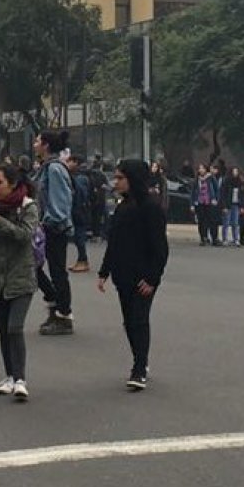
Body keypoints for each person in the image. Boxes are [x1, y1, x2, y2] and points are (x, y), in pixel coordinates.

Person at [97, 160, 169, 391]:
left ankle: (139, 367)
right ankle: (139, 358)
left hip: (143, 277)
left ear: (133, 179)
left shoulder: (151, 207)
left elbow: (160, 248)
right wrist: (104, 271)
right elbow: (114, 242)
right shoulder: (122, 207)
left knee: (139, 319)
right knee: (129, 321)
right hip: (123, 274)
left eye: (121, 178)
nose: (116, 182)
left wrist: (152, 278)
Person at [0, 163, 39, 400]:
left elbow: (25, 235)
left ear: (13, 183)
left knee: (15, 327)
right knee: (3, 330)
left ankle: (21, 379)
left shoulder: (28, 206)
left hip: (21, 276)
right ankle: (9, 376)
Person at [34, 129, 75, 335]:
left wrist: (49, 223)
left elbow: (60, 201)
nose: (34, 144)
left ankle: (63, 314)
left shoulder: (55, 169)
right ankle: (54, 301)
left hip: (54, 228)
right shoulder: (46, 167)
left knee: (58, 271)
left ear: (46, 145)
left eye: (37, 141)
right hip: (46, 225)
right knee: (34, 265)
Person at [66, 153, 92, 273]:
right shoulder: (79, 176)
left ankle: (83, 261)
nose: (67, 164)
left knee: (79, 237)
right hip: (79, 209)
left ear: (75, 162)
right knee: (77, 237)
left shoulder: (80, 177)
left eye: (69, 161)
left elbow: (80, 194)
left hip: (80, 210)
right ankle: (80, 260)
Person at [191, 162, 219, 245]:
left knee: (212, 221)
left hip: (209, 202)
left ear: (206, 169)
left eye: (202, 168)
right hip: (200, 202)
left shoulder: (211, 178)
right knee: (202, 221)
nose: (201, 170)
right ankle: (203, 238)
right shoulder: (197, 179)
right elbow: (193, 192)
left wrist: (215, 199)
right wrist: (192, 204)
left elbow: (217, 189)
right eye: (200, 168)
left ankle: (214, 238)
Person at [221, 167, 244, 246]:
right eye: (234, 171)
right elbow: (223, 194)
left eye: (236, 171)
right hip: (228, 204)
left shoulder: (241, 183)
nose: (235, 173)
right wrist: (224, 206)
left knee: (235, 223)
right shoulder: (226, 182)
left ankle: (236, 239)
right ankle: (225, 239)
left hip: (236, 204)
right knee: (226, 223)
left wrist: (243, 206)